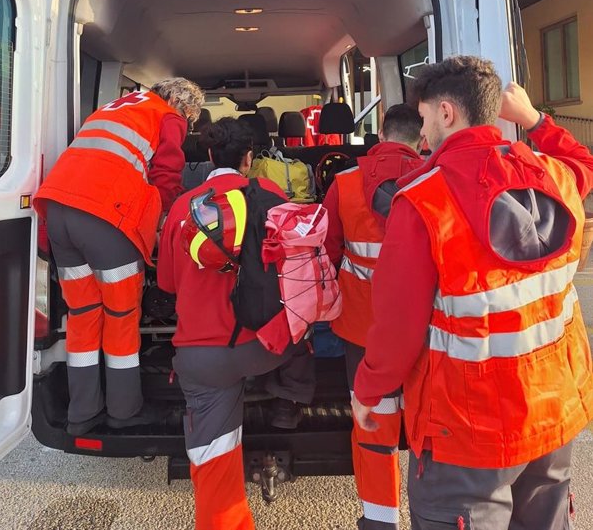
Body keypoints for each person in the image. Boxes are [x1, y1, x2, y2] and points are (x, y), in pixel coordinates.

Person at [351, 55, 593, 529]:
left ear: (446, 113)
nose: (421, 135)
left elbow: (397, 327)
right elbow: (584, 162)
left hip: (465, 431)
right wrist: (535, 121)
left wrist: (369, 389)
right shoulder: (556, 177)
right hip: (553, 412)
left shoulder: (423, 202)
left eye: (422, 119)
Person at [157, 117, 316, 530]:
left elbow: (168, 283)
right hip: (265, 348)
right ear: (249, 159)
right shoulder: (273, 194)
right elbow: (296, 273)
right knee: (302, 325)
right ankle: (288, 400)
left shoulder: (182, 207)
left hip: (205, 359)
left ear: (208, 156)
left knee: (215, 466)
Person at [34, 78, 204, 435]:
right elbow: (166, 175)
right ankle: (124, 411)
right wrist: (171, 222)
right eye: (192, 119)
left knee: (83, 315)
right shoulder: (168, 116)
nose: (188, 126)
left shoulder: (116, 108)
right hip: (103, 218)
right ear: (183, 106)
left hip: (59, 211)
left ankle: (82, 413)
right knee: (121, 315)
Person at [323, 104, 424, 530]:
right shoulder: (433, 180)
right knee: (426, 427)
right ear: (422, 138)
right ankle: (433, 515)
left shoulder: (344, 182)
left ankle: (380, 519)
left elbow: (325, 253)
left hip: (363, 330)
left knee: (373, 425)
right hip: (427, 330)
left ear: (380, 132)